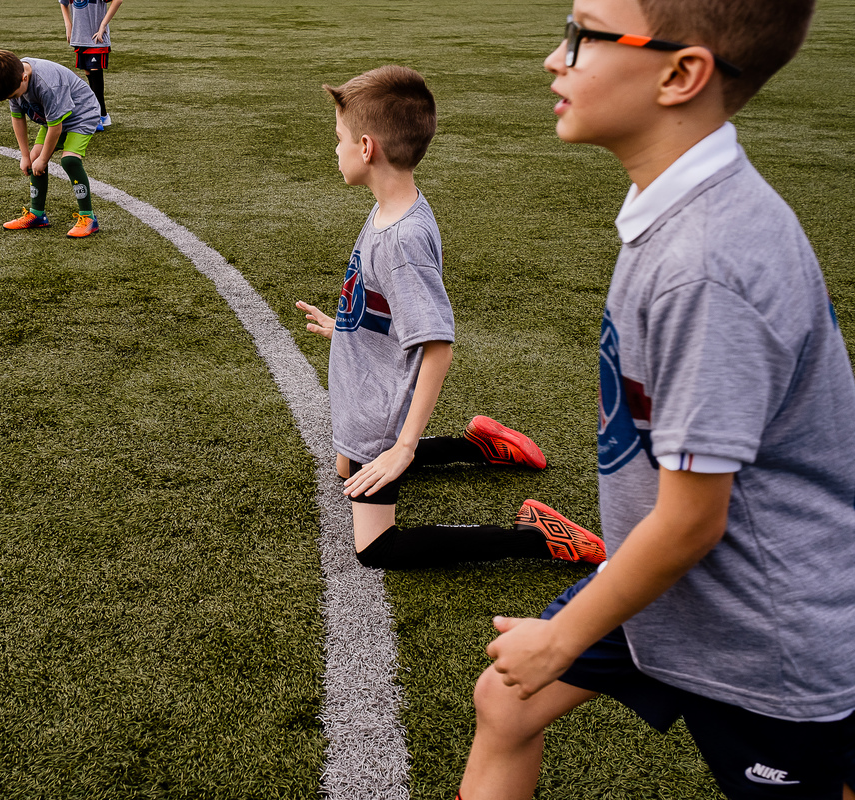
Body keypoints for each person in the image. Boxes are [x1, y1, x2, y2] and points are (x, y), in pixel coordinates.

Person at [459, 0, 855, 798]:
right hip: (673, 588)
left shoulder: (706, 262)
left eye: (582, 35)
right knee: (505, 699)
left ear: (680, 74)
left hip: (760, 631)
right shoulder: (678, 212)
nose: (554, 58)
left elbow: (692, 520)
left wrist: (561, 638)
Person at [296, 65, 606, 571]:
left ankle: (534, 538)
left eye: (339, 138)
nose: (335, 149)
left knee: (375, 549)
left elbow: (437, 345)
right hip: (365, 390)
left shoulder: (402, 241)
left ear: (367, 148)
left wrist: (403, 446)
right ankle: (482, 447)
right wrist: (344, 328)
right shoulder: (395, 208)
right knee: (346, 470)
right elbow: (393, 306)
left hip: (378, 412)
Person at [0, 49, 101, 237]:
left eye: (14, 95)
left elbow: (56, 128)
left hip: (82, 114)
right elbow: (17, 117)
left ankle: (88, 218)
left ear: (24, 78)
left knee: (69, 160)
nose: (14, 99)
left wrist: (43, 160)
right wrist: (25, 155)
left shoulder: (47, 85)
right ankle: (37, 215)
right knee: (34, 159)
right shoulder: (11, 79)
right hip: (53, 119)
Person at [60, 0, 123, 131]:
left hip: (97, 38)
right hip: (79, 37)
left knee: (95, 73)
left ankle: (96, 117)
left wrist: (103, 25)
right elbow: (63, 2)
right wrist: (68, 25)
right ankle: (103, 115)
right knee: (88, 73)